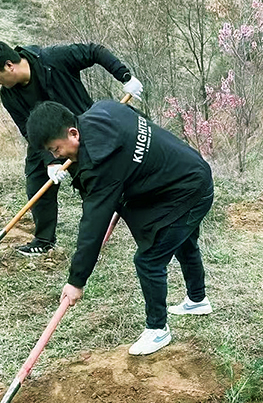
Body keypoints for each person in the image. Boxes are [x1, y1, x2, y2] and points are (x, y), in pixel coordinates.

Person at [25, 100, 214, 355]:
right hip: (189, 169)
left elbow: (93, 225)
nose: (57, 156)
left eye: (56, 149)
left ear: (73, 133)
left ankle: (158, 330)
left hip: (188, 188)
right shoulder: (104, 110)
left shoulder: (101, 166)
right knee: (183, 241)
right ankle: (197, 300)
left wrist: (76, 281)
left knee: (149, 259)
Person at [0, 39, 144, 256]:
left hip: (79, 131)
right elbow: (27, 131)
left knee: (90, 183)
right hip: (43, 143)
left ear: (9, 65)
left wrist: (125, 77)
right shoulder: (9, 96)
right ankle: (43, 240)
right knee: (36, 181)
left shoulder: (52, 60)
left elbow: (94, 51)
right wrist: (51, 160)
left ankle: (99, 229)